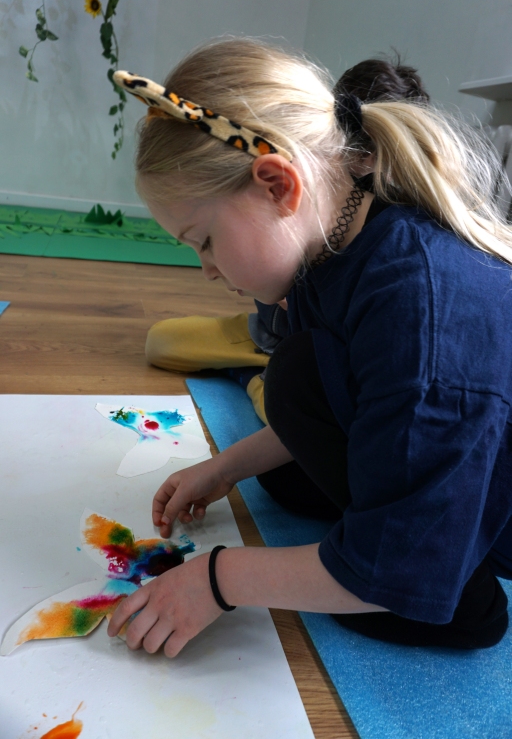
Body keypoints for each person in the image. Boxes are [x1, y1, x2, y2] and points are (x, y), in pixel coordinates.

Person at [107, 38, 512, 658]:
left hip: (487, 515)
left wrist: (218, 579)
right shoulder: (332, 244)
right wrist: (224, 468)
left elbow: (392, 563)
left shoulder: (418, 310)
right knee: (294, 387)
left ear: (277, 185)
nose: (207, 269)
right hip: (431, 442)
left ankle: (456, 596)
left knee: (389, 582)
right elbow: (337, 386)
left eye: (205, 241)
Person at [144, 56, 430, 424]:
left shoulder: (388, 257)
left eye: (206, 242)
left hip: (317, 352)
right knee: (164, 342)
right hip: (276, 333)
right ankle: (258, 370)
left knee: (287, 405)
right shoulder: (307, 225)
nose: (207, 270)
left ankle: (261, 378)